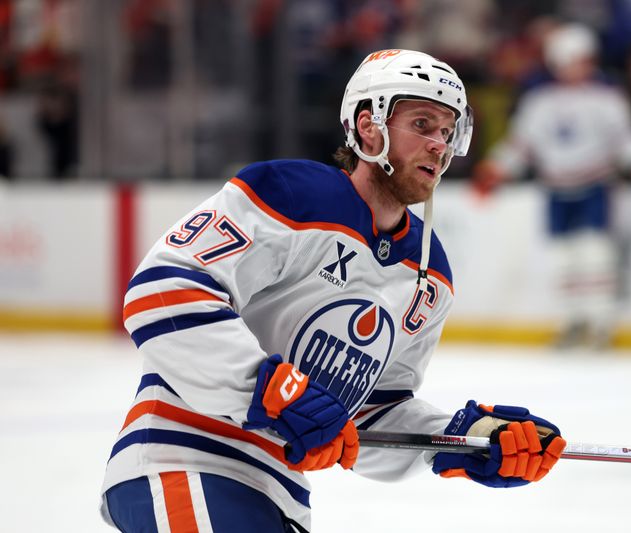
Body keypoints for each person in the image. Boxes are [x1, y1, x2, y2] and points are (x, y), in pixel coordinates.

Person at [100, 49, 566, 533]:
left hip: (278, 494)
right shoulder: (290, 194)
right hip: (181, 459)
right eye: (423, 124)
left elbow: (364, 414)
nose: (439, 146)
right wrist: (272, 389)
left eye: (448, 132)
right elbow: (162, 290)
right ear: (370, 127)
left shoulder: (430, 272)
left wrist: (462, 440)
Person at [473, 24, 631, 350]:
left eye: (582, 59)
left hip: (595, 186)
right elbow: (521, 145)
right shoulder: (540, 101)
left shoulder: (606, 99)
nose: (577, 66)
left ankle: (601, 322)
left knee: (595, 254)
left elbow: (626, 138)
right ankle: (573, 321)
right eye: (571, 60)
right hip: (556, 188)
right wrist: (496, 169)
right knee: (563, 257)